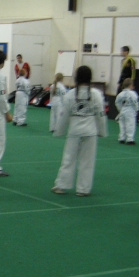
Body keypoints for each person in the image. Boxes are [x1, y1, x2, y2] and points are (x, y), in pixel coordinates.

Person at [52, 65, 107, 196]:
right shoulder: (96, 94)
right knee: (87, 162)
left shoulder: (70, 95)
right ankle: (83, 189)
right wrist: (102, 131)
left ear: (76, 78)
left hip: (74, 131)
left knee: (68, 159)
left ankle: (61, 185)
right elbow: (101, 115)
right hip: (90, 131)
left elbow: (63, 115)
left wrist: (59, 131)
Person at [115, 78, 139, 144]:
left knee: (122, 125)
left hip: (123, 110)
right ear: (130, 85)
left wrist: (120, 109)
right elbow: (135, 101)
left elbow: (117, 102)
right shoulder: (133, 93)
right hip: (130, 110)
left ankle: (121, 138)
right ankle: (130, 139)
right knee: (130, 125)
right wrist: (137, 109)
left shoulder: (121, 94)